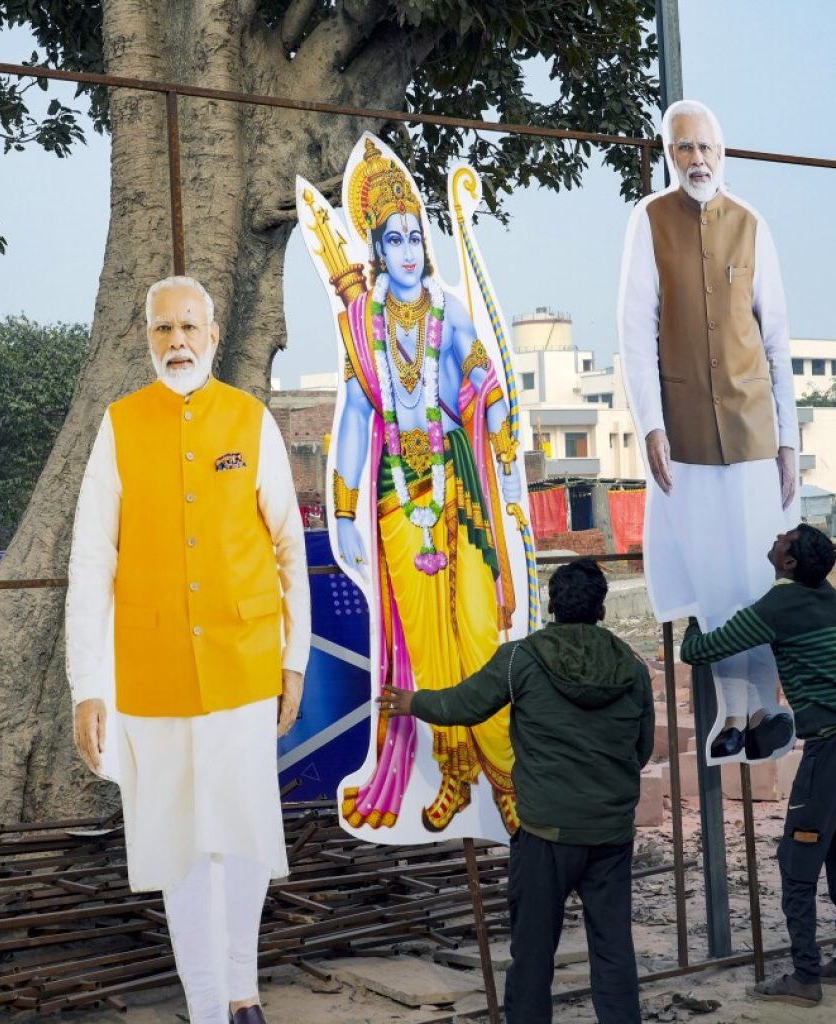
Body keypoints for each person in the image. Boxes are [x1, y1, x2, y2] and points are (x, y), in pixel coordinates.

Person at [65, 276, 310, 1024]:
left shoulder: (250, 420)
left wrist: (293, 659)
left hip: (243, 665)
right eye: (163, 329)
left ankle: (242, 992)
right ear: (147, 339)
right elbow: (88, 561)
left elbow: (290, 548)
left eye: (189, 328)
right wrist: (87, 685)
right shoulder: (119, 425)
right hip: (151, 672)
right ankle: (206, 1006)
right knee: (178, 847)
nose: (177, 341)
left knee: (242, 835)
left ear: (211, 334)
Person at [326, 136, 524, 834]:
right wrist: (345, 507)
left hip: (459, 491)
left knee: (476, 635)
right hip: (394, 497)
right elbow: (356, 414)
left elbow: (482, 375)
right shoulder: (363, 328)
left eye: (416, 236)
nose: (408, 250)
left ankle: (506, 778)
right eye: (394, 239)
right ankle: (456, 774)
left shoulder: (448, 311)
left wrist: (499, 429)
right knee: (429, 655)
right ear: (377, 249)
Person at [381, 559, 654, 1023]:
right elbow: (642, 749)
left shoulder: (521, 659)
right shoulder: (631, 666)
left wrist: (413, 702)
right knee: (613, 948)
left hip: (545, 832)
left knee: (532, 953)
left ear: (551, 605)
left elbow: (462, 705)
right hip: (610, 832)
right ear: (602, 609)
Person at [619, 99, 798, 762]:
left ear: (722, 152)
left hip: (753, 430)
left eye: (706, 148)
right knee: (715, 579)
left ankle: (759, 712)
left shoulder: (752, 225)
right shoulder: (650, 221)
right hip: (687, 434)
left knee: (754, 577)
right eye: (684, 148)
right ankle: (739, 710)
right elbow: (636, 333)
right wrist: (649, 426)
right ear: (671, 155)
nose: (697, 159)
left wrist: (788, 444)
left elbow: (776, 341)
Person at [681, 524, 836, 1007]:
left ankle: (805, 978)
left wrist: (694, 612)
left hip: (828, 752)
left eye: (782, 539)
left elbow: (698, 651)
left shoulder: (778, 608)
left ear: (789, 564)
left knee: (797, 863)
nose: (774, 537)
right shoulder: (828, 597)